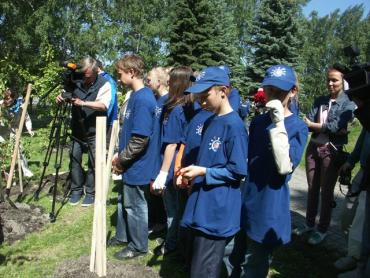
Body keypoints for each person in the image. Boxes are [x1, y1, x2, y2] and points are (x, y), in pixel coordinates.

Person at [177, 66, 248, 278]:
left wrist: (203, 172)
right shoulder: (210, 120)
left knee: (204, 270)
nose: (201, 101)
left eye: (206, 95)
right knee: (195, 265)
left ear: (223, 91)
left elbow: (237, 172)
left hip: (216, 210)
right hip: (201, 205)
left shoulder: (234, 127)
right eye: (198, 96)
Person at [240, 64, 308, 278]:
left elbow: (285, 168)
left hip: (269, 204)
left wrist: (279, 126)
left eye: (280, 92)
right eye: (270, 90)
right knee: (234, 253)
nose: (273, 96)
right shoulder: (258, 122)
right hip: (247, 197)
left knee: (255, 263)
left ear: (293, 91)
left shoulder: (297, 127)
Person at [293, 65, 356, 245]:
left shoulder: (348, 103)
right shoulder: (319, 100)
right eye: (328, 79)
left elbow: (336, 126)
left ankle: (322, 229)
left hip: (331, 151)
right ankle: (309, 224)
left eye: (334, 80)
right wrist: (325, 126)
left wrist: (316, 125)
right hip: (313, 148)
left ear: (343, 82)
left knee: (326, 192)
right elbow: (309, 121)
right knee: (312, 189)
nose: (330, 83)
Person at [111, 54, 156, 260]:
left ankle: (138, 246)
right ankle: (123, 236)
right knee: (124, 201)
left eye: (120, 74)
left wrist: (121, 160)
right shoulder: (135, 97)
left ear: (132, 72)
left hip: (138, 164)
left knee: (136, 205)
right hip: (130, 163)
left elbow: (140, 139)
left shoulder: (144, 99)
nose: (119, 79)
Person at [56, 57, 111, 207]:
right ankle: (76, 190)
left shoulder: (104, 84)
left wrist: (83, 103)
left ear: (95, 72)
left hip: (95, 130)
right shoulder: (77, 79)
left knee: (93, 162)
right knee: (74, 160)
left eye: (87, 75)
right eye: (83, 74)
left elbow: (103, 105)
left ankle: (91, 192)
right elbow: (66, 92)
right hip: (77, 130)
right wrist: (61, 97)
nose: (84, 77)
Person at [151, 66, 193, 255]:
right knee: (176, 208)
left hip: (172, 166)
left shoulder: (177, 110)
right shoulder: (180, 106)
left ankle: (171, 244)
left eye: (170, 79)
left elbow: (171, 144)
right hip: (174, 164)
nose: (167, 81)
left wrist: (162, 173)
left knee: (173, 209)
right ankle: (174, 239)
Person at [334, 127, 370, 272]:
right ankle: (353, 253)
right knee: (347, 216)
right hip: (362, 173)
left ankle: (358, 261)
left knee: (363, 219)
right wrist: (350, 161)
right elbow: (361, 142)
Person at [1, 87, 34, 178]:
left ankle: (26, 172)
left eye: (8, 98)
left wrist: (29, 129)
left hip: (14, 130)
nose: (6, 100)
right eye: (5, 98)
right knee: (2, 151)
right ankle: (4, 171)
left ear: (13, 98)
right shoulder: (1, 105)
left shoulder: (21, 106)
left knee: (19, 150)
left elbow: (26, 118)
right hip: (2, 129)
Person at [96, 60, 118, 143]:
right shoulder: (97, 79)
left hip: (107, 122)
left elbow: (111, 101)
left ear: (97, 68)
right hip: (100, 120)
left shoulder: (107, 79)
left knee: (105, 151)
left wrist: (104, 117)